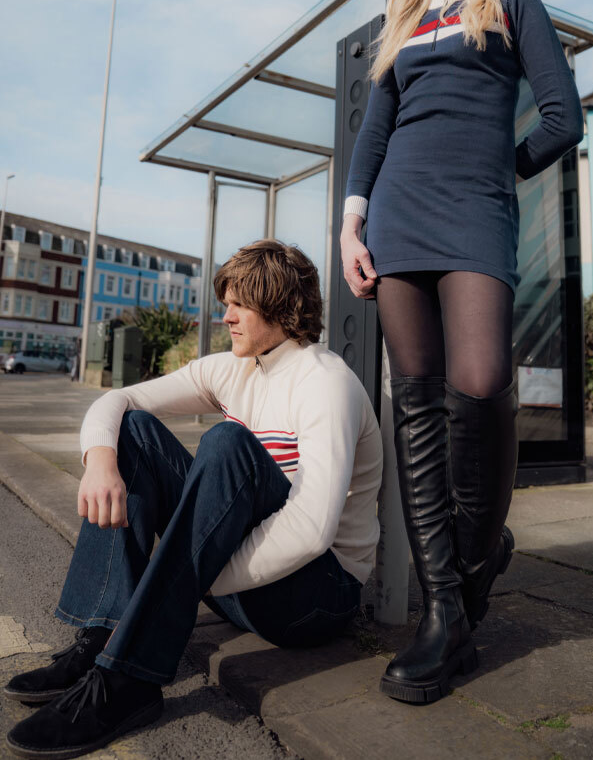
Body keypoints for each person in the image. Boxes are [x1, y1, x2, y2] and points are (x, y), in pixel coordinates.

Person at [340, 0, 583, 705]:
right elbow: (374, 134)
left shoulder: (511, 2)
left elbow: (563, 119)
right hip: (397, 218)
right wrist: (350, 226)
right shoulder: (401, 24)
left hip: (476, 213)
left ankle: (474, 567)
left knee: (480, 386)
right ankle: (446, 611)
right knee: (415, 400)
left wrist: (500, 169)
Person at [5, 240, 383, 759]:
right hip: (238, 577)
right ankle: (101, 638)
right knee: (133, 431)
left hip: (315, 597)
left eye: (237, 305)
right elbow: (119, 400)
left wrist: (181, 580)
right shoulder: (234, 368)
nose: (224, 316)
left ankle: (126, 680)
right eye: (224, 302)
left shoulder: (325, 382)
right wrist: (99, 462)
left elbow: (312, 530)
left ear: (280, 306)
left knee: (226, 443)